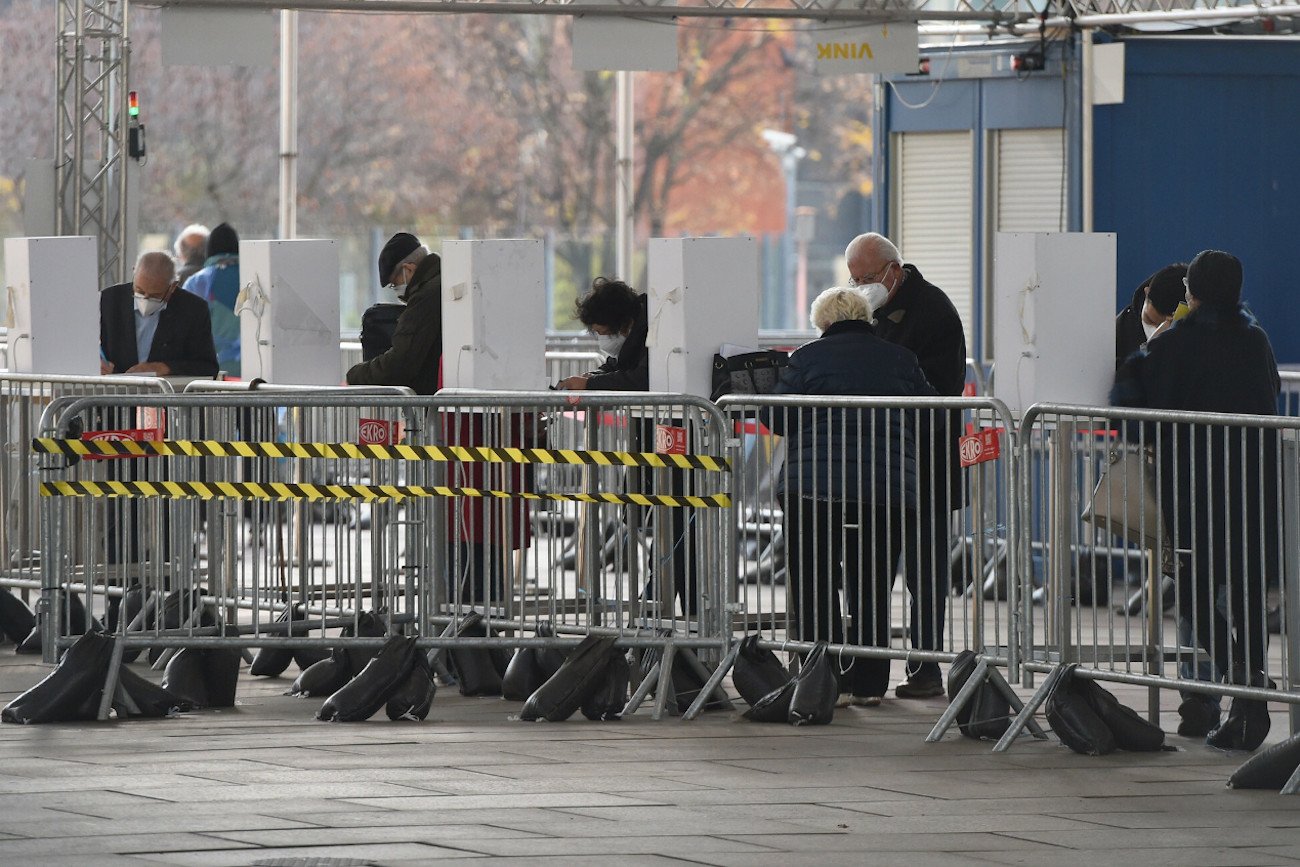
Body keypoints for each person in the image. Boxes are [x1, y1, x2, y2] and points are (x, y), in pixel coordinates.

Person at [1113, 249, 1280, 751]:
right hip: (1254, 488)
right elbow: (1271, 388)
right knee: (1248, 595)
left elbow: (1126, 402)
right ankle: (1249, 697)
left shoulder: (1175, 343)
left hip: (1193, 490)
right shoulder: (1255, 339)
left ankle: (1239, 683)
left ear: (1192, 292)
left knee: (1193, 590)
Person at [770, 286, 937, 707]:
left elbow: (776, 417)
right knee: (872, 584)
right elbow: (930, 415)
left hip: (812, 490)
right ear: (867, 318)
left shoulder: (805, 358)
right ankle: (868, 685)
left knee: (814, 582)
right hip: (884, 491)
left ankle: (821, 681)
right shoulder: (902, 359)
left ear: (823, 322)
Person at [844, 232, 965, 699]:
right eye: (853, 280)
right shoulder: (862, 311)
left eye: (867, 278)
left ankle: (926, 666)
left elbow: (941, 389)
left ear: (893, 270)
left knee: (925, 575)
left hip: (925, 466)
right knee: (868, 571)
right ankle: (868, 667)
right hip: (877, 471)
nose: (860, 287)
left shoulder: (934, 310)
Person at [556, 279, 697, 617]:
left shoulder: (656, 334)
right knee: (665, 525)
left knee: (679, 528)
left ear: (625, 324)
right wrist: (592, 378)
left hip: (676, 444)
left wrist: (591, 384)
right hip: (652, 446)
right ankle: (657, 601)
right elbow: (621, 369)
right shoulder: (638, 335)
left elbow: (642, 379)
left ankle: (675, 610)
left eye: (602, 331)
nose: (600, 339)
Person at [346, 232, 442, 395]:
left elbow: (401, 362)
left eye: (394, 284)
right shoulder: (444, 281)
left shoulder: (425, 297)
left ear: (408, 269)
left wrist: (354, 376)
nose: (397, 291)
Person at [101, 251, 218, 378]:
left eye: (155, 295)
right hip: (116, 391)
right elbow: (88, 346)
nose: (145, 299)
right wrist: (97, 363)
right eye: (139, 290)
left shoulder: (193, 309)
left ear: (173, 287)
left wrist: (165, 367)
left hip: (168, 393)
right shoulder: (109, 300)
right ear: (134, 272)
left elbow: (208, 366)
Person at [183, 222, 241, 377]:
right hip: (258, 371)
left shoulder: (198, 282)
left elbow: (185, 329)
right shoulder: (256, 276)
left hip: (212, 372)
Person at [1115, 263, 1187, 368]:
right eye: (1149, 321)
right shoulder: (1120, 331)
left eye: (1170, 325)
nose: (1157, 331)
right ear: (1146, 292)